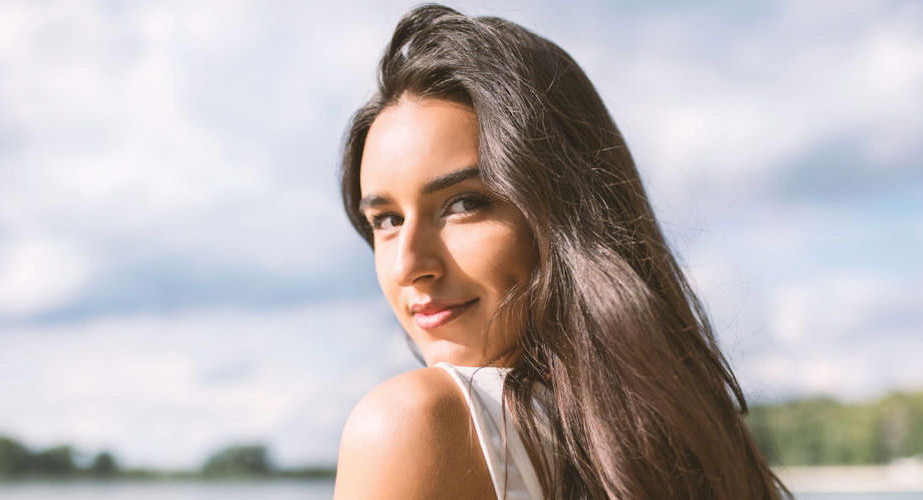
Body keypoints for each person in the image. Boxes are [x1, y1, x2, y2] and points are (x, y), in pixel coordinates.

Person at [333, 4, 789, 499]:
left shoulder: (409, 423)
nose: (408, 266)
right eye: (387, 220)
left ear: (566, 212)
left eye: (464, 204)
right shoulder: (697, 445)